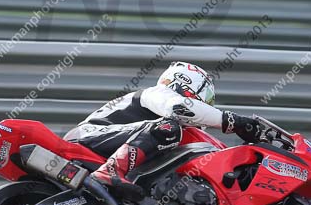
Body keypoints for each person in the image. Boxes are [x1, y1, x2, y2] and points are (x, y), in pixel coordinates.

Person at [64, 61, 264, 197]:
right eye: (207, 99)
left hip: (106, 142)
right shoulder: (158, 94)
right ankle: (110, 172)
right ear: (191, 87)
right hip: (87, 137)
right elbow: (181, 108)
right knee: (169, 128)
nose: (208, 105)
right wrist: (233, 121)